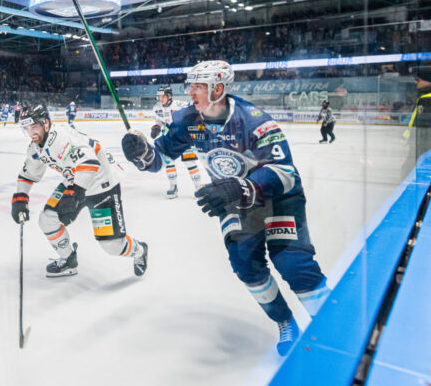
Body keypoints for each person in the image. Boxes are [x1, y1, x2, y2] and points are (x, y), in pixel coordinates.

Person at [122, 60, 330, 355]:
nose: (190, 91)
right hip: (233, 201)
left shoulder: (254, 120)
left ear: (218, 89)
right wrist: (141, 152)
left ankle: (336, 326)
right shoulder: (188, 121)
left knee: (293, 264)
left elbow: (285, 172)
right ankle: (285, 321)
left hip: (278, 196)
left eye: (197, 86)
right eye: (190, 85)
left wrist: (242, 186)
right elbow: (160, 159)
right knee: (247, 267)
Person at [11, 104, 149, 277]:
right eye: (27, 128)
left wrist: (74, 193)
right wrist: (20, 197)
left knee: (112, 246)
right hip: (75, 181)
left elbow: (90, 161)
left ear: (46, 123)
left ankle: (140, 250)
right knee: (47, 220)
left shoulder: (62, 138)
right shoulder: (36, 146)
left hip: (102, 184)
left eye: (34, 126)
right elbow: (28, 174)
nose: (32, 133)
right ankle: (69, 260)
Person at [151, 86, 204, 198]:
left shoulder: (180, 105)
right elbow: (159, 121)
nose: (161, 98)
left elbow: (194, 109)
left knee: (190, 162)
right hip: (169, 137)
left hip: (183, 137)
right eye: (160, 96)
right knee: (168, 161)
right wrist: (156, 127)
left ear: (169, 96)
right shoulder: (156, 107)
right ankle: (173, 186)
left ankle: (199, 187)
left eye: (163, 96)